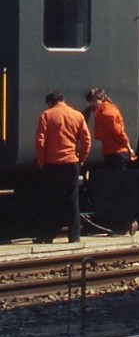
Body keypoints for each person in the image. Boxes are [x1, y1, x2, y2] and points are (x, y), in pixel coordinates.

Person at [34, 91, 91, 243]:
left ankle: (47, 235)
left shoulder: (46, 115)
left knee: (50, 200)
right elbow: (86, 140)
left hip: (52, 164)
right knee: (72, 200)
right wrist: (81, 159)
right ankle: (74, 236)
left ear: (50, 102)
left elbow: (40, 142)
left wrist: (41, 161)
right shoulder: (77, 116)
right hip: (71, 163)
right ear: (63, 100)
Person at [85, 88, 134, 169]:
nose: (91, 104)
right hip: (112, 152)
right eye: (90, 101)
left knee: (117, 178)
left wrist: (129, 148)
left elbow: (118, 132)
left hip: (116, 152)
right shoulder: (103, 111)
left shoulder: (106, 113)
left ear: (102, 99)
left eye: (94, 101)